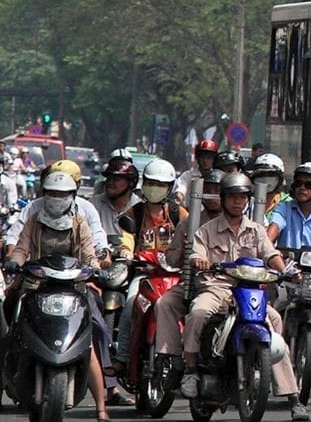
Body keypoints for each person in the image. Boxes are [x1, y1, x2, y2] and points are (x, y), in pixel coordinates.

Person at [153, 173, 309, 421]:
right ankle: (191, 370)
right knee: (198, 313)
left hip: (248, 291)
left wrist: (286, 271)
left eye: (243, 197)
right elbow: (196, 254)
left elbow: (271, 255)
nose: (238, 202)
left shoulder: (256, 231)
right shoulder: (205, 230)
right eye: (233, 197)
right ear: (224, 199)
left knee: (274, 320)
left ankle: (293, 397)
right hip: (216, 288)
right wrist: (200, 260)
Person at [5, 172, 112, 421]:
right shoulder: (34, 220)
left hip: (74, 288)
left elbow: (89, 253)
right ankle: (9, 367)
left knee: (89, 338)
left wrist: (95, 268)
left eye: (62, 194)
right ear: (44, 194)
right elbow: (21, 247)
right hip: (36, 285)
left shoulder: (79, 222)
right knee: (11, 313)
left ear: (72, 196)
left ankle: (101, 406)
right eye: (52, 193)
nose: (57, 198)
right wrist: (15, 262)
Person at [112, 159, 188, 376]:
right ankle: (122, 358)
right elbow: (126, 238)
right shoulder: (134, 213)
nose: (155, 188)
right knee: (130, 305)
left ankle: (191, 361)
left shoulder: (179, 214)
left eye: (161, 184)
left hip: (174, 276)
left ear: (170, 187)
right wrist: (126, 252)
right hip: (144, 275)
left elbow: (191, 237)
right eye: (151, 183)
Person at [248, 153, 290, 222]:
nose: (265, 179)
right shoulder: (248, 202)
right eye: (261, 174)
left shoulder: (288, 203)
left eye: (271, 174)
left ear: (280, 178)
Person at [174, 139, 218, 204]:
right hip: (189, 209)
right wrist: (179, 196)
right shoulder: (188, 175)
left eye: (209, 157)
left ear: (214, 159)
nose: (205, 160)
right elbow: (181, 188)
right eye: (202, 157)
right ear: (197, 158)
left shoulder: (218, 177)